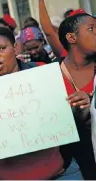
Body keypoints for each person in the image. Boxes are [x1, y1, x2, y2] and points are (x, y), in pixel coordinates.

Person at [0, 27, 88, 180]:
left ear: (15, 48)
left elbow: (73, 119)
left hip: (60, 175)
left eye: (1, 48)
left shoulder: (43, 74)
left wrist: (81, 105)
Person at [57, 12, 96, 179]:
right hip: (72, 168)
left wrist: (93, 103)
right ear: (72, 38)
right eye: (91, 29)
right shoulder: (49, 76)